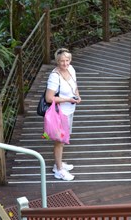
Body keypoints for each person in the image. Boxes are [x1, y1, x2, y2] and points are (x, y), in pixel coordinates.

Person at [45, 48, 81, 181]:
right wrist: (68, 100)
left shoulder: (71, 69)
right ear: (57, 62)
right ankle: (59, 170)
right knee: (59, 141)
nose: (65, 64)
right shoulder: (54, 76)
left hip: (70, 111)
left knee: (63, 139)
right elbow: (49, 98)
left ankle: (58, 164)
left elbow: (75, 85)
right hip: (59, 114)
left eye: (67, 60)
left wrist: (77, 96)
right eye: (61, 61)